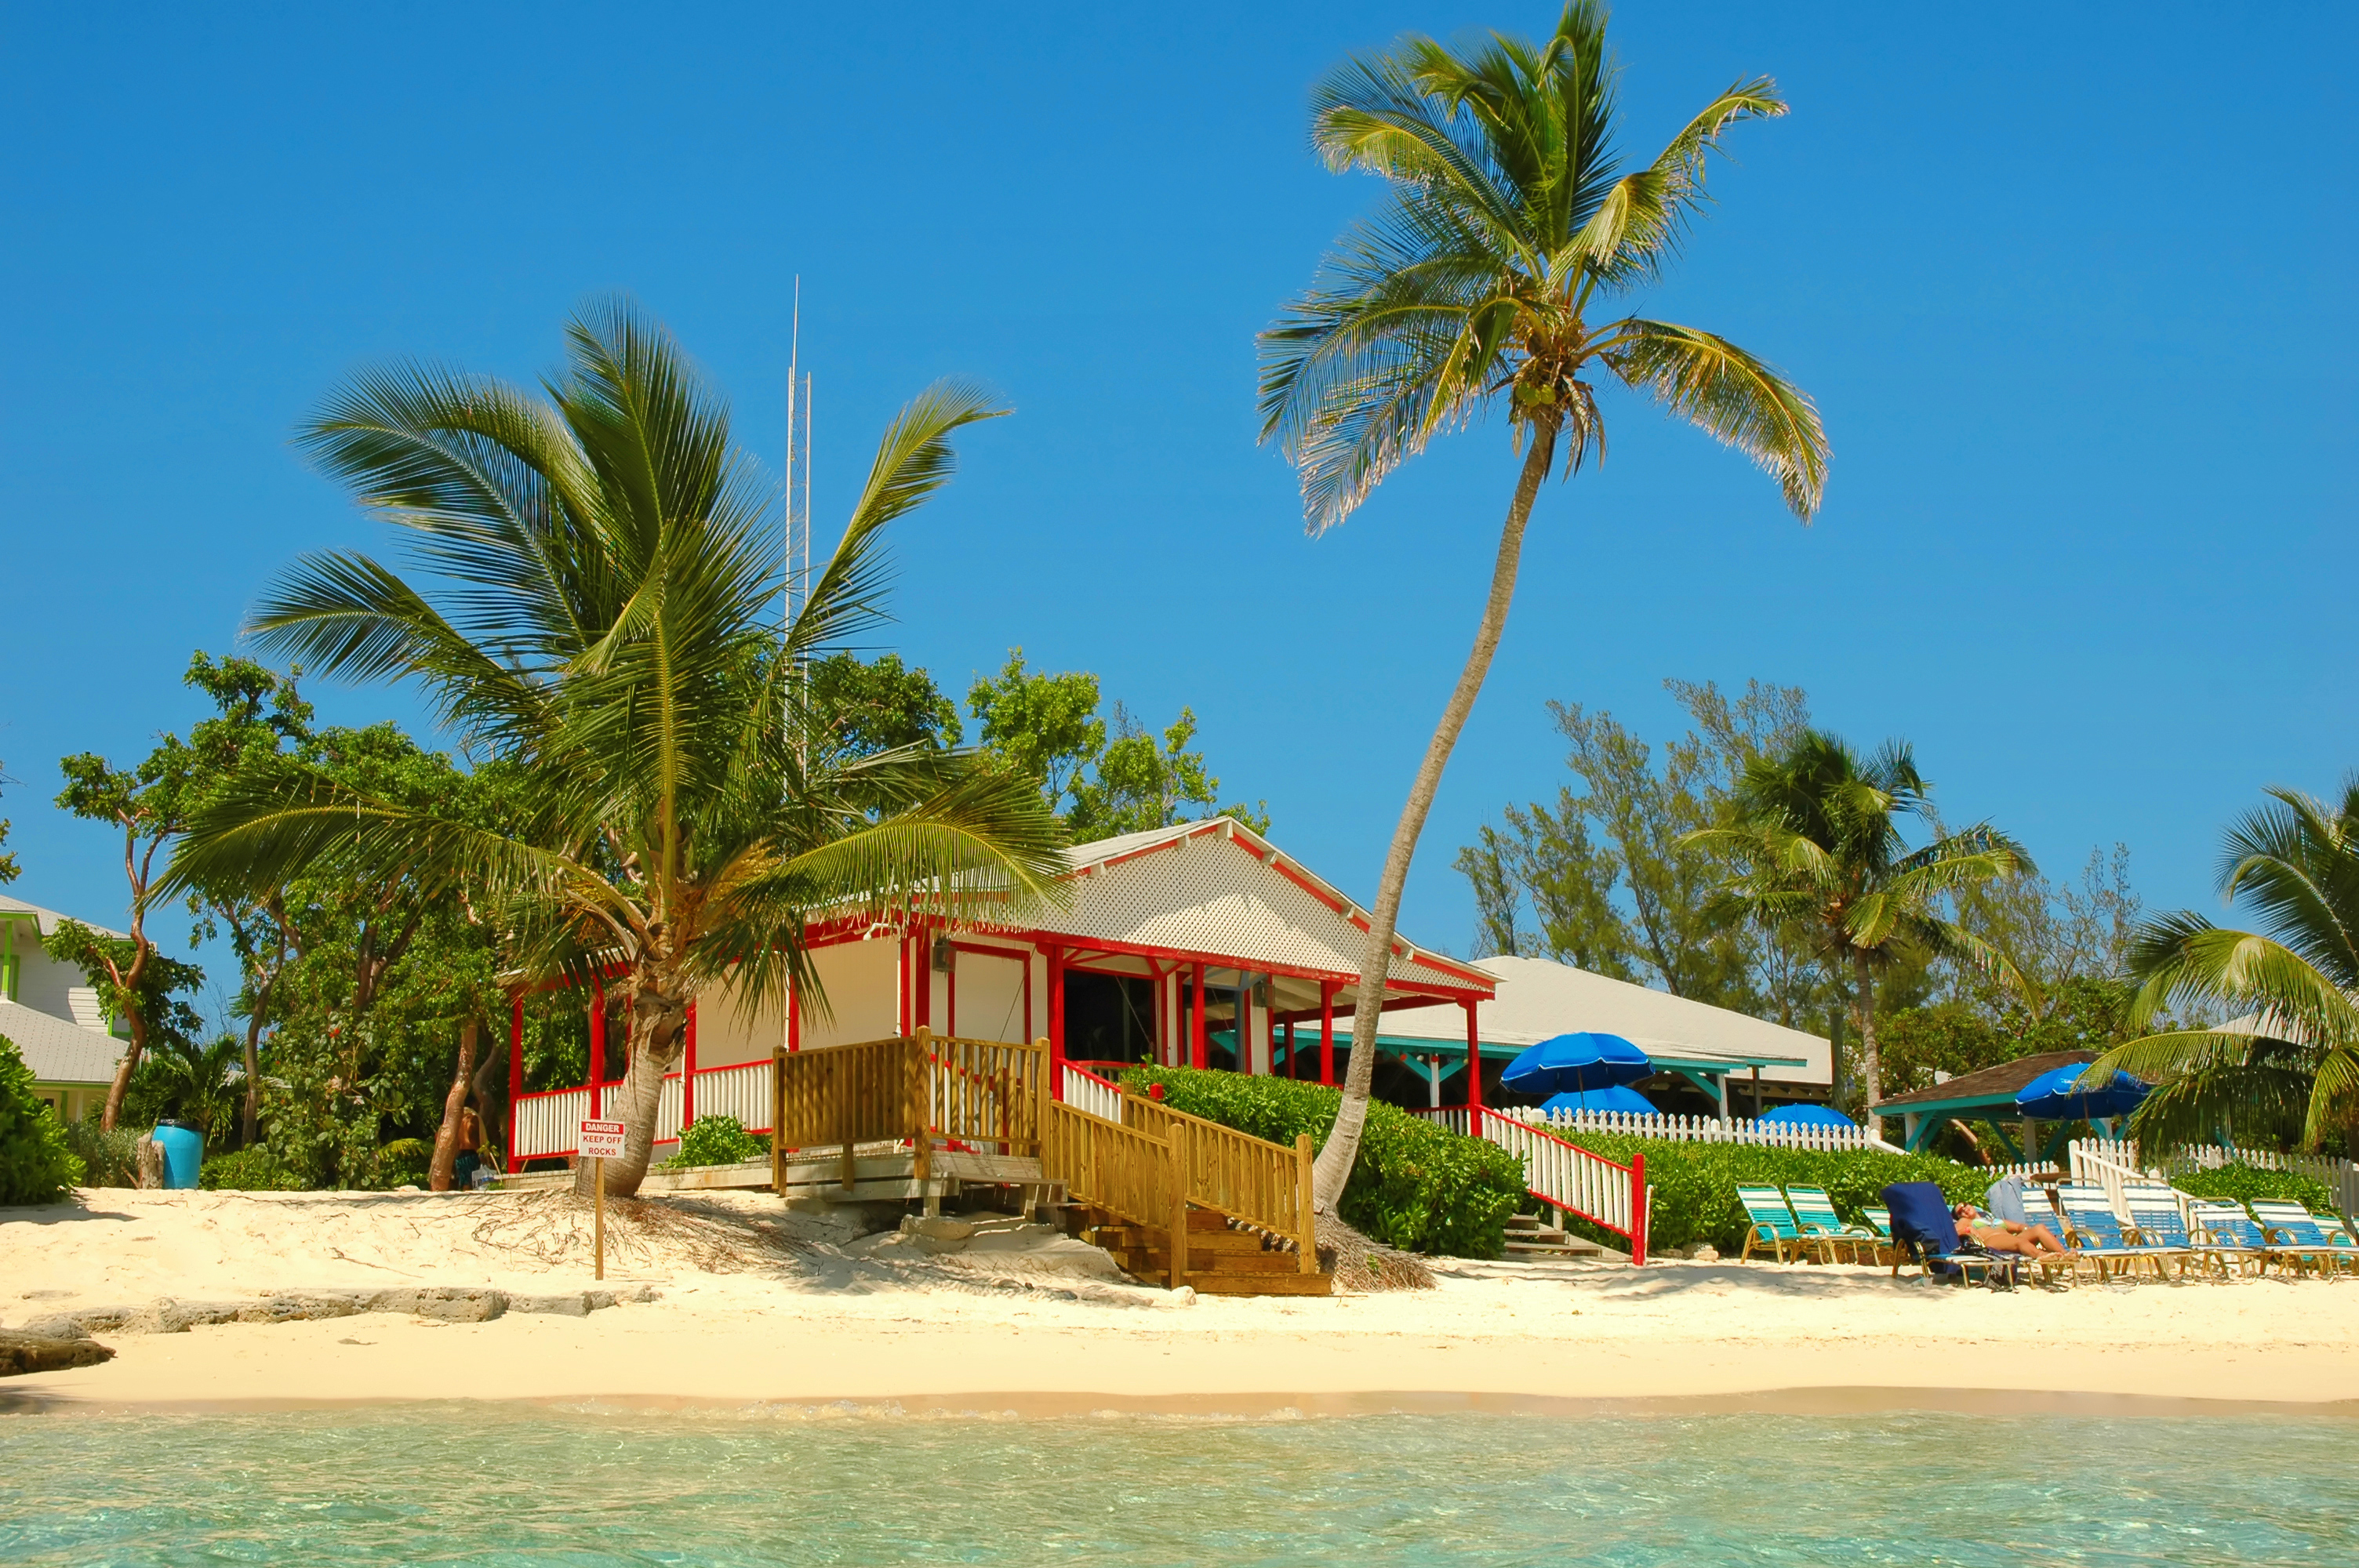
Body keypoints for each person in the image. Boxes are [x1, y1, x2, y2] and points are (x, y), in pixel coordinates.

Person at [1953, 1202, 2066, 1259]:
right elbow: (1955, 1232)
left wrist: (2026, 1230)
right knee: (2020, 1242)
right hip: (1992, 1241)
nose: (1965, 1210)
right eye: (1960, 1212)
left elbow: (2019, 1227)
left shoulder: (1993, 1219)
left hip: (2010, 1239)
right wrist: (1968, 1229)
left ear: (1971, 1205)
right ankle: (2042, 1256)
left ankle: (2064, 1255)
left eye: (1965, 1205)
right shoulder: (1965, 1221)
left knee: (2039, 1228)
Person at [453, 1105, 483, 1192]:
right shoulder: (472, 1119)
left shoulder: (458, 1122)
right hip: (470, 1154)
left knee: (464, 1182)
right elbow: (473, 1139)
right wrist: (480, 1153)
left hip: (460, 1155)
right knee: (473, 1182)